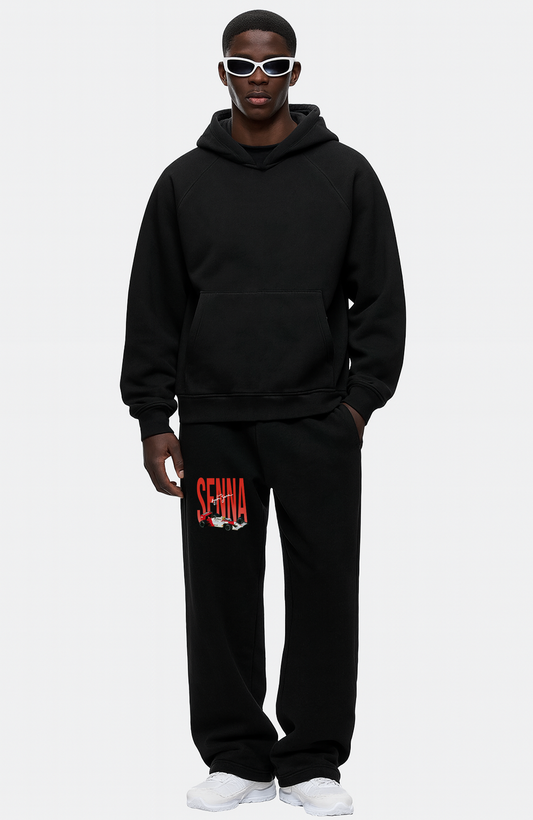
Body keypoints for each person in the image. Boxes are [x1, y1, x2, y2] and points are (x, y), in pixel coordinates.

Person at [120, 8, 406, 816]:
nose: (257, 79)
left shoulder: (345, 174)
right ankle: (236, 755)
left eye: (273, 65)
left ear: (294, 73)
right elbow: (154, 305)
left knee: (323, 589)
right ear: (222, 72)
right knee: (220, 593)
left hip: (316, 426)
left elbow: (381, 300)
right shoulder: (183, 182)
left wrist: (357, 406)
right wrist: (153, 418)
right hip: (217, 429)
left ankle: (312, 760)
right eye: (242, 65)